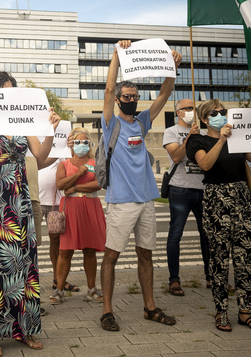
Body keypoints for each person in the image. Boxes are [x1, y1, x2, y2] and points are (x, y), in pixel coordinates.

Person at [186, 99, 251, 333]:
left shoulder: (238, 138)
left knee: (243, 258)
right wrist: (222, 139)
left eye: (223, 112)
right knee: (220, 259)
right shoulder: (197, 140)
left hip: (242, 199)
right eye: (215, 113)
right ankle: (221, 311)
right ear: (205, 119)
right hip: (216, 201)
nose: (222, 115)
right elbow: (205, 164)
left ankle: (245, 311)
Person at [0, 71, 60, 357]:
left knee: (24, 266)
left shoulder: (25, 124)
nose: (9, 96)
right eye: (3, 91)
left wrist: (50, 129)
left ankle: (26, 330)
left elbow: (42, 156)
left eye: (13, 91)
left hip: (20, 203)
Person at [99, 40, 181, 332]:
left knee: (145, 253)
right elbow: (108, 89)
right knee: (111, 255)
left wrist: (171, 68)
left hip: (146, 199)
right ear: (119, 99)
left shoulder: (143, 121)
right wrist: (116, 56)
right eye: (127, 96)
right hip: (121, 201)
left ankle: (150, 307)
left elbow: (164, 94)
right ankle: (107, 311)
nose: (131, 99)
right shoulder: (110, 122)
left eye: (134, 95)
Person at [49, 127, 105, 305]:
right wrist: (79, 174)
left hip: (90, 206)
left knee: (90, 250)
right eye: (78, 141)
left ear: (90, 144)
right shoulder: (64, 164)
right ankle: (59, 290)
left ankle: (92, 289)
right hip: (71, 208)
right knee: (65, 251)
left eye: (85, 142)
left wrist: (75, 187)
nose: (82, 145)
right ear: (73, 144)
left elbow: (99, 184)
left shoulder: (95, 163)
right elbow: (60, 185)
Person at [162, 98, 210, 296]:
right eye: (187, 108)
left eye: (193, 108)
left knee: (207, 235)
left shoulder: (206, 132)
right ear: (179, 112)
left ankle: (211, 276)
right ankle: (174, 280)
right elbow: (176, 156)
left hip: (204, 188)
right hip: (180, 189)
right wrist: (189, 137)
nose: (191, 111)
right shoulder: (171, 132)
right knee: (175, 234)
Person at [38, 157, 68, 292]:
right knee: (27, 242)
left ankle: (58, 279)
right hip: (34, 200)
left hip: (54, 202)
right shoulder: (33, 140)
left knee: (56, 240)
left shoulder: (62, 144)